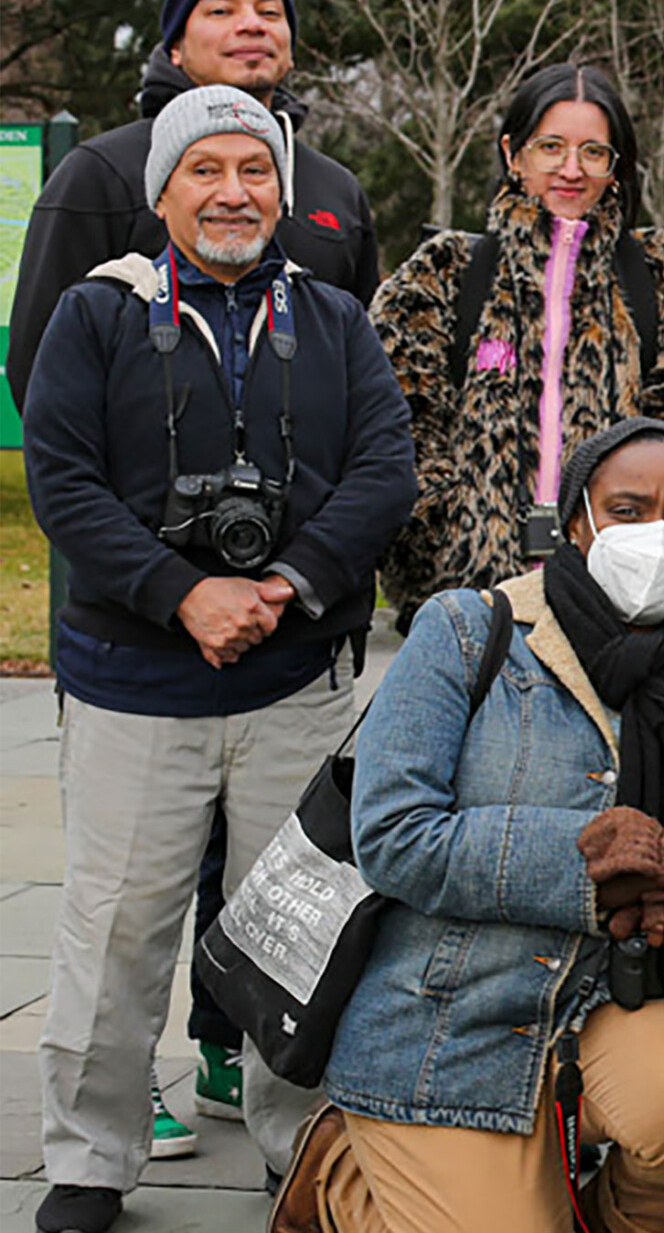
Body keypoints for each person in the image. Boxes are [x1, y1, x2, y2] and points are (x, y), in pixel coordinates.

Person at [24, 87, 415, 1233]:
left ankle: (299, 1156)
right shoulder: (97, 316)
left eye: (256, 169)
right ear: (163, 191)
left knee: (302, 927)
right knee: (115, 930)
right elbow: (63, 480)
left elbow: (383, 471)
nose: (233, 190)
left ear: (284, 191)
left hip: (294, 678)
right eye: (206, 170)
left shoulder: (336, 320)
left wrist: (287, 586)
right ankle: (90, 1161)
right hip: (133, 683)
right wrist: (182, 591)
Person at [282, 418, 664, 1233]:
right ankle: (348, 1181)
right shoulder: (463, 633)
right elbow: (391, 835)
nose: (657, 535)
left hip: (622, 1011)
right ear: (578, 518)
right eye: (629, 508)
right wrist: (587, 864)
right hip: (452, 1018)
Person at [371, 63, 664, 625]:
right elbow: (397, 421)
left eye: (593, 152)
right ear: (513, 153)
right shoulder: (446, 272)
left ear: (617, 167)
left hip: (611, 604)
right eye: (551, 146)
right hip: (468, 605)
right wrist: (441, 532)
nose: (571, 169)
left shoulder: (660, 275)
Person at [10, 0, 380, 411]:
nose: (252, 23)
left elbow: (369, 368)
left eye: (271, 11)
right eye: (221, 9)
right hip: (142, 479)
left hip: (311, 480)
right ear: (176, 48)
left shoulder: (336, 189)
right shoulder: (100, 172)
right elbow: (41, 372)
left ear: (289, 50)